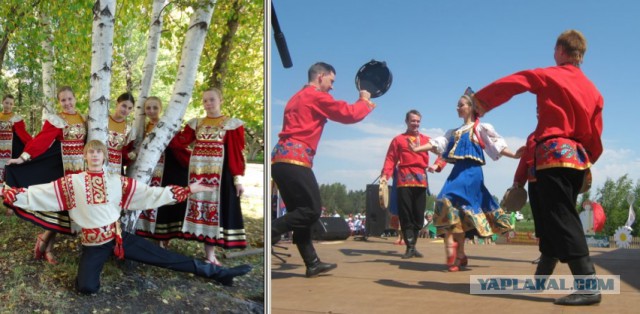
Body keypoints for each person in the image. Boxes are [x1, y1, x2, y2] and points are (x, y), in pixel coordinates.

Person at [1, 140, 252, 294]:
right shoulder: (71, 183)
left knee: (167, 259)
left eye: (100, 153)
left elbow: (150, 194)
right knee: (86, 288)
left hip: (119, 237)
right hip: (93, 245)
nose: (95, 156)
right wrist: (9, 192)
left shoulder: (116, 181)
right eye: (91, 152)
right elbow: (40, 194)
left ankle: (219, 274)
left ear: (105, 157)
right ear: (85, 156)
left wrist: (187, 190)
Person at [472, 29, 603, 306]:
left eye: (554, 50)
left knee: (560, 217)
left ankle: (588, 285)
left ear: (560, 50)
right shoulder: (593, 89)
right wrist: (587, 159)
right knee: (556, 216)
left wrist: (482, 101)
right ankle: (546, 272)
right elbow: (595, 133)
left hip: (552, 155)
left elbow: (518, 80)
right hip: (576, 157)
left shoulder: (550, 74)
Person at [271, 62, 375, 277]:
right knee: (311, 211)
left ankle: (312, 263)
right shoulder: (315, 96)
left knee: (299, 214)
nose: (332, 87)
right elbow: (348, 114)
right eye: (331, 81)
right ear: (320, 76)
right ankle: (270, 232)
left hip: (282, 160)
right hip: (295, 160)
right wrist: (364, 99)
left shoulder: (295, 97)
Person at [410, 89, 522, 272]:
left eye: (461, 104)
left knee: (446, 199)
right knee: (454, 211)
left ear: (471, 108)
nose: (458, 107)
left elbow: (497, 145)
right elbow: (438, 144)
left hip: (472, 172)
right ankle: (460, 254)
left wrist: (515, 155)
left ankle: (454, 251)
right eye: (457, 105)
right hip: (457, 171)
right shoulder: (453, 132)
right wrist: (418, 149)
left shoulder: (480, 128)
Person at [5, 86, 86, 264]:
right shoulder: (57, 120)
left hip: (81, 170)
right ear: (59, 102)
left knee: (70, 209)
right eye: (63, 100)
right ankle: (47, 247)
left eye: (69, 99)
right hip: (61, 168)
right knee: (58, 207)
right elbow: (42, 141)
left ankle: (44, 240)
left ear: (75, 98)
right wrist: (22, 158)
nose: (67, 103)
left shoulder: (85, 119)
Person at [169, 87, 247, 266]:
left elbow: (236, 153)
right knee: (201, 210)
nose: (208, 104)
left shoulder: (231, 124)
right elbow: (179, 142)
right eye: (205, 100)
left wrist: (237, 179)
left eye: (211, 99)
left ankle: (210, 255)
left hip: (219, 177)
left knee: (215, 213)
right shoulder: (196, 123)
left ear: (221, 100)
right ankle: (208, 254)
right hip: (197, 175)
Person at [381, 109, 445, 259]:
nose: (415, 124)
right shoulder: (398, 140)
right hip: (403, 180)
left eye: (418, 121)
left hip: (421, 180)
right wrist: (385, 176)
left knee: (418, 215)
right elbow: (390, 159)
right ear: (406, 122)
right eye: (413, 121)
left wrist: (437, 166)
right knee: (405, 214)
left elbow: (444, 153)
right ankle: (410, 247)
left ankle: (413, 245)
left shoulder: (426, 140)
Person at [135, 96, 190, 249]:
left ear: (160, 108)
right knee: (147, 197)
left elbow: (178, 145)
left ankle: (162, 236)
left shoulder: (167, 125)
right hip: (148, 171)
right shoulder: (143, 128)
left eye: (155, 108)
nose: (151, 111)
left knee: (163, 199)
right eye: (148, 108)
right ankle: (144, 231)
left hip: (166, 168)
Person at [0, 94, 33, 215]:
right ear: (2, 102)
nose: (8, 105)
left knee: (9, 175)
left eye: (10, 103)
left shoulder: (16, 118)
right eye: (6, 102)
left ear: (13, 105)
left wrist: (32, 145)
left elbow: (22, 133)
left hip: (10, 150)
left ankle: (10, 204)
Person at [106, 92, 136, 175]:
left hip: (117, 171)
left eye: (129, 108)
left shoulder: (129, 129)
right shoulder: (103, 121)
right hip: (97, 166)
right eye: (124, 106)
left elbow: (126, 154)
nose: (126, 110)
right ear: (117, 103)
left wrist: (130, 155)